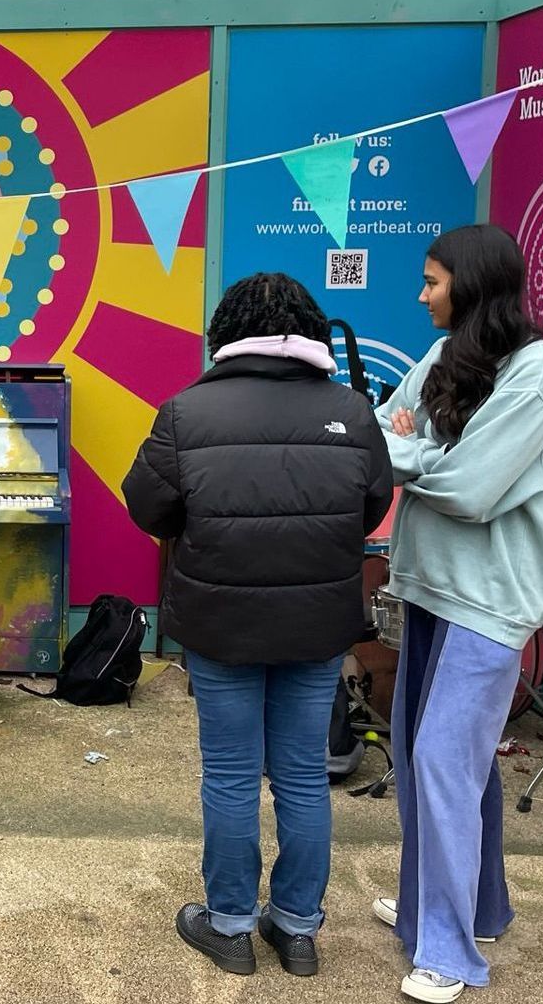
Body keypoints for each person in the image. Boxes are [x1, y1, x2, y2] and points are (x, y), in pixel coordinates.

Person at [122, 273, 392, 979]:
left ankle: (231, 926)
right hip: (317, 624)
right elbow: (369, 508)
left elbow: (147, 508)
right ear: (312, 330)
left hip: (222, 624)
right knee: (303, 775)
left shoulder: (186, 412)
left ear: (226, 332)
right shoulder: (353, 411)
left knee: (232, 775)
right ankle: (298, 930)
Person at [374, 224, 543, 1003]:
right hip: (430, 584)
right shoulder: (447, 353)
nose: (421, 294)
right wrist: (426, 452)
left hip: (490, 602)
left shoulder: (539, 376)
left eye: (432, 281)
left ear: (473, 284)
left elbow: (469, 490)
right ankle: (465, 907)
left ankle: (450, 952)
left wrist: (417, 453)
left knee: (442, 762)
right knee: (436, 759)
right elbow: (382, 424)